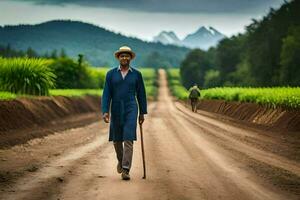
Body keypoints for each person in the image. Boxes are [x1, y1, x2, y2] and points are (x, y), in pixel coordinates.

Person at [102, 46, 147, 181]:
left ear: (130, 58)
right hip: (115, 108)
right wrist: (105, 111)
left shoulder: (137, 75)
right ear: (118, 58)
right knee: (116, 140)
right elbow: (106, 94)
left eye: (127, 56)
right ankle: (121, 161)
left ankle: (126, 169)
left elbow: (141, 94)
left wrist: (142, 112)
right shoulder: (111, 74)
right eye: (122, 56)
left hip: (131, 108)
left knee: (128, 138)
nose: (124, 58)